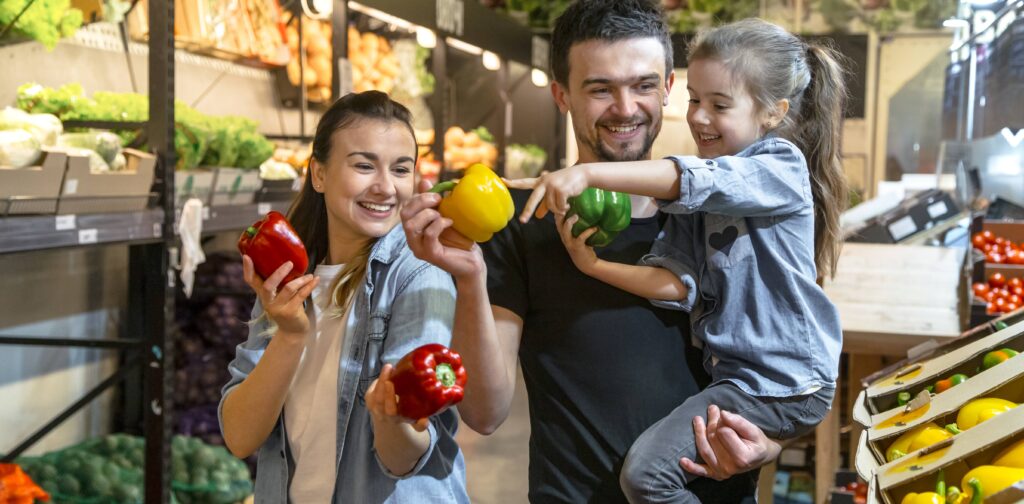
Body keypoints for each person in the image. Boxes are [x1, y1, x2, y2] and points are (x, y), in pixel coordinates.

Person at [401, 1, 781, 502]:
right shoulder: (522, 219)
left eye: (643, 85)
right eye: (601, 88)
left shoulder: (721, 210)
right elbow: (484, 414)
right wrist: (470, 278)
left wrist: (767, 445)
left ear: (668, 88)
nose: (625, 108)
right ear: (561, 94)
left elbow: (779, 372)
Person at [508, 18, 848, 503]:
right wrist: (595, 267)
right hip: (747, 381)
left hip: (781, 381)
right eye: (695, 101)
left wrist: (586, 173)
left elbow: (698, 179)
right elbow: (678, 282)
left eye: (719, 105)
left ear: (774, 113)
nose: (699, 118)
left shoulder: (779, 167)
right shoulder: (698, 203)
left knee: (647, 478)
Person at [218, 91, 469, 503]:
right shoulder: (285, 275)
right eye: (364, 165)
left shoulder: (419, 275)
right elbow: (240, 437)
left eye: (401, 169)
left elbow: (405, 460)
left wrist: (390, 417)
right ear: (318, 173)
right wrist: (290, 335)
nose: (386, 187)